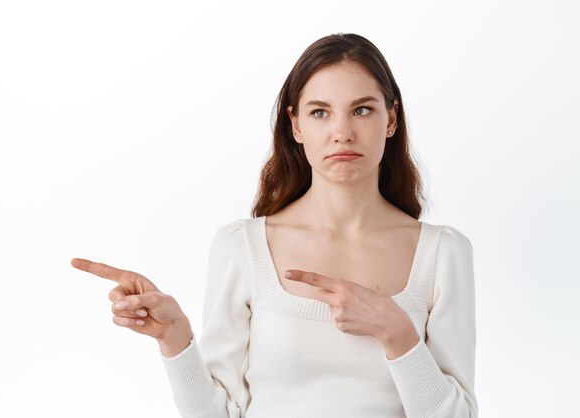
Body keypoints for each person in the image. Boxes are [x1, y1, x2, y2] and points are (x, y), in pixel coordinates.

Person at [71, 32, 478, 418]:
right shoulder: (242, 247)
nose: (342, 132)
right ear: (296, 125)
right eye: (320, 112)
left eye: (362, 109)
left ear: (391, 120)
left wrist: (397, 332)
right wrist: (174, 337)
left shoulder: (442, 253)